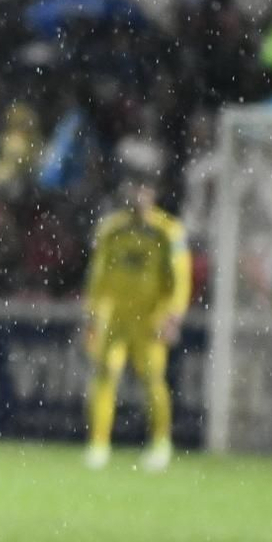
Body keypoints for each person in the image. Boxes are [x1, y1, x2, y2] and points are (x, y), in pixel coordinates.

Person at [83, 160, 191, 472]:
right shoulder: (111, 229)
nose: (137, 195)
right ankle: (98, 444)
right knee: (105, 374)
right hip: (115, 316)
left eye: (143, 188)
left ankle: (161, 443)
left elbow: (179, 278)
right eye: (133, 188)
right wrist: (92, 315)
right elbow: (98, 275)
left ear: (153, 193)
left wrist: (173, 315)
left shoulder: (168, 232)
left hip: (150, 317)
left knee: (152, 379)